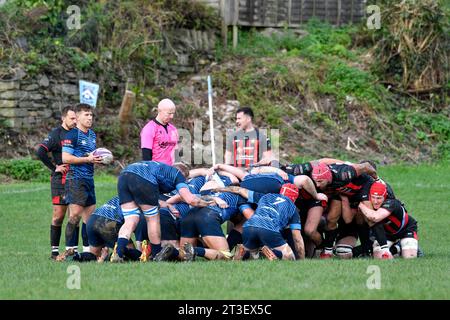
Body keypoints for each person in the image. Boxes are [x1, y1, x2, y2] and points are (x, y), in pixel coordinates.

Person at [111, 161, 214, 263]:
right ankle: (156, 253)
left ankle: (118, 252)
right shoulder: (179, 176)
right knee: (153, 219)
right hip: (143, 178)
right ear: (185, 178)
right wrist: (208, 203)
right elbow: (190, 199)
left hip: (124, 175)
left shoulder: (163, 169)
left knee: (130, 220)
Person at [56, 103, 103, 261]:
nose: (90, 118)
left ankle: (87, 252)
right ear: (77, 118)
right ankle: (70, 251)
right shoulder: (72, 135)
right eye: (86, 115)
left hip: (89, 180)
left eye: (91, 115)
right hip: (75, 180)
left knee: (89, 220)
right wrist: (87, 159)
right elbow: (65, 158)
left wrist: (97, 159)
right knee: (74, 216)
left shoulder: (92, 135)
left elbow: (89, 155)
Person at [36, 106, 77, 259]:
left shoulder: (77, 133)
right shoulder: (56, 134)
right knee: (59, 216)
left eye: (76, 118)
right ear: (63, 118)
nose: (74, 121)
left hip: (76, 179)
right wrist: (54, 168)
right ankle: (54, 251)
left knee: (74, 215)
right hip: (61, 181)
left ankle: (72, 249)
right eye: (72, 118)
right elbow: (40, 151)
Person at [226, 183, 306, 261]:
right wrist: (302, 260)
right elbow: (297, 238)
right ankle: (270, 253)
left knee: (253, 256)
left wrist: (218, 189)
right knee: (289, 257)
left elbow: (241, 190)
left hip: (249, 225)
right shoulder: (292, 207)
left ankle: (244, 252)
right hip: (268, 228)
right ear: (294, 198)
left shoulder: (267, 196)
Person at [358, 181, 420, 259]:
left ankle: (403, 246)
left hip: (405, 230)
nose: (375, 201)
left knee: (409, 257)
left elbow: (375, 217)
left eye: (379, 198)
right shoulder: (369, 204)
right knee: (379, 257)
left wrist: (360, 205)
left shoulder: (391, 203)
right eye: (373, 197)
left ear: (385, 196)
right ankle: (396, 248)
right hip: (387, 233)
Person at [140, 98, 179, 165]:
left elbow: (177, 150)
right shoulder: (149, 129)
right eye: (169, 113)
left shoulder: (173, 129)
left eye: (173, 113)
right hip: (157, 171)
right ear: (159, 111)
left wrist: (178, 166)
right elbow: (146, 155)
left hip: (172, 171)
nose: (172, 116)